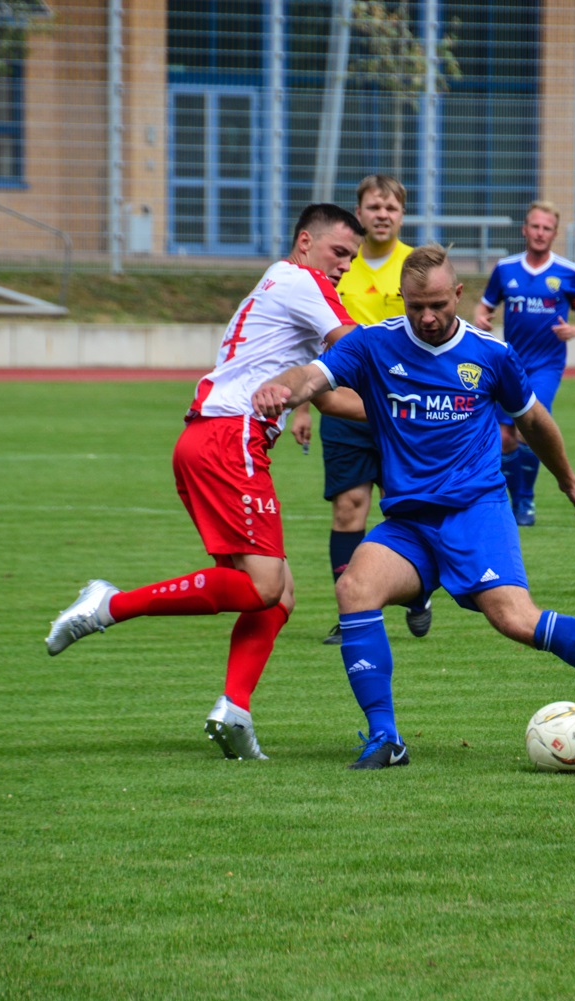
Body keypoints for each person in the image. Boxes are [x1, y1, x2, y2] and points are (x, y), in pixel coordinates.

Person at [252, 245, 575, 770]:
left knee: (516, 620)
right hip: (410, 523)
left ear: (458, 294)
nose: (428, 316)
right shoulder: (374, 345)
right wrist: (284, 388)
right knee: (354, 587)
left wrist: (568, 481)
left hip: (475, 512)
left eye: (438, 303)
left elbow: (533, 421)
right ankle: (386, 738)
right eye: (417, 305)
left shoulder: (490, 354)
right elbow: (315, 375)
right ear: (403, 299)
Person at [43, 203, 366, 761]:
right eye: (340, 253)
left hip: (208, 440)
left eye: (352, 260)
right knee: (266, 586)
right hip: (230, 441)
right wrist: (429, 375)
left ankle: (234, 709)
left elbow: (328, 393)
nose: (344, 266)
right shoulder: (302, 280)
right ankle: (110, 605)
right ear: (306, 242)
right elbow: (357, 347)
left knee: (278, 593)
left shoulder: (282, 284)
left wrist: (400, 411)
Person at [316, 175, 433, 646]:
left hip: (403, 411)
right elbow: (316, 341)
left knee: (409, 507)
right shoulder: (341, 267)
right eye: (373, 206)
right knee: (349, 509)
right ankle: (352, 613)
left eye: (391, 207)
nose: (382, 214)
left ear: (402, 215)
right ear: (358, 214)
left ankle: (418, 588)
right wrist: (304, 409)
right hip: (343, 404)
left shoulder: (416, 266)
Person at [473, 200, 575, 526]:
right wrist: (482, 319)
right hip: (510, 363)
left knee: (530, 427)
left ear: (555, 233)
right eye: (535, 227)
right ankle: (517, 497)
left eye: (547, 228)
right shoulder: (505, 269)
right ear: (525, 230)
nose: (541, 233)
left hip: (547, 365)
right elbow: (483, 307)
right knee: (503, 438)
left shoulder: (568, 273)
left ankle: (525, 500)